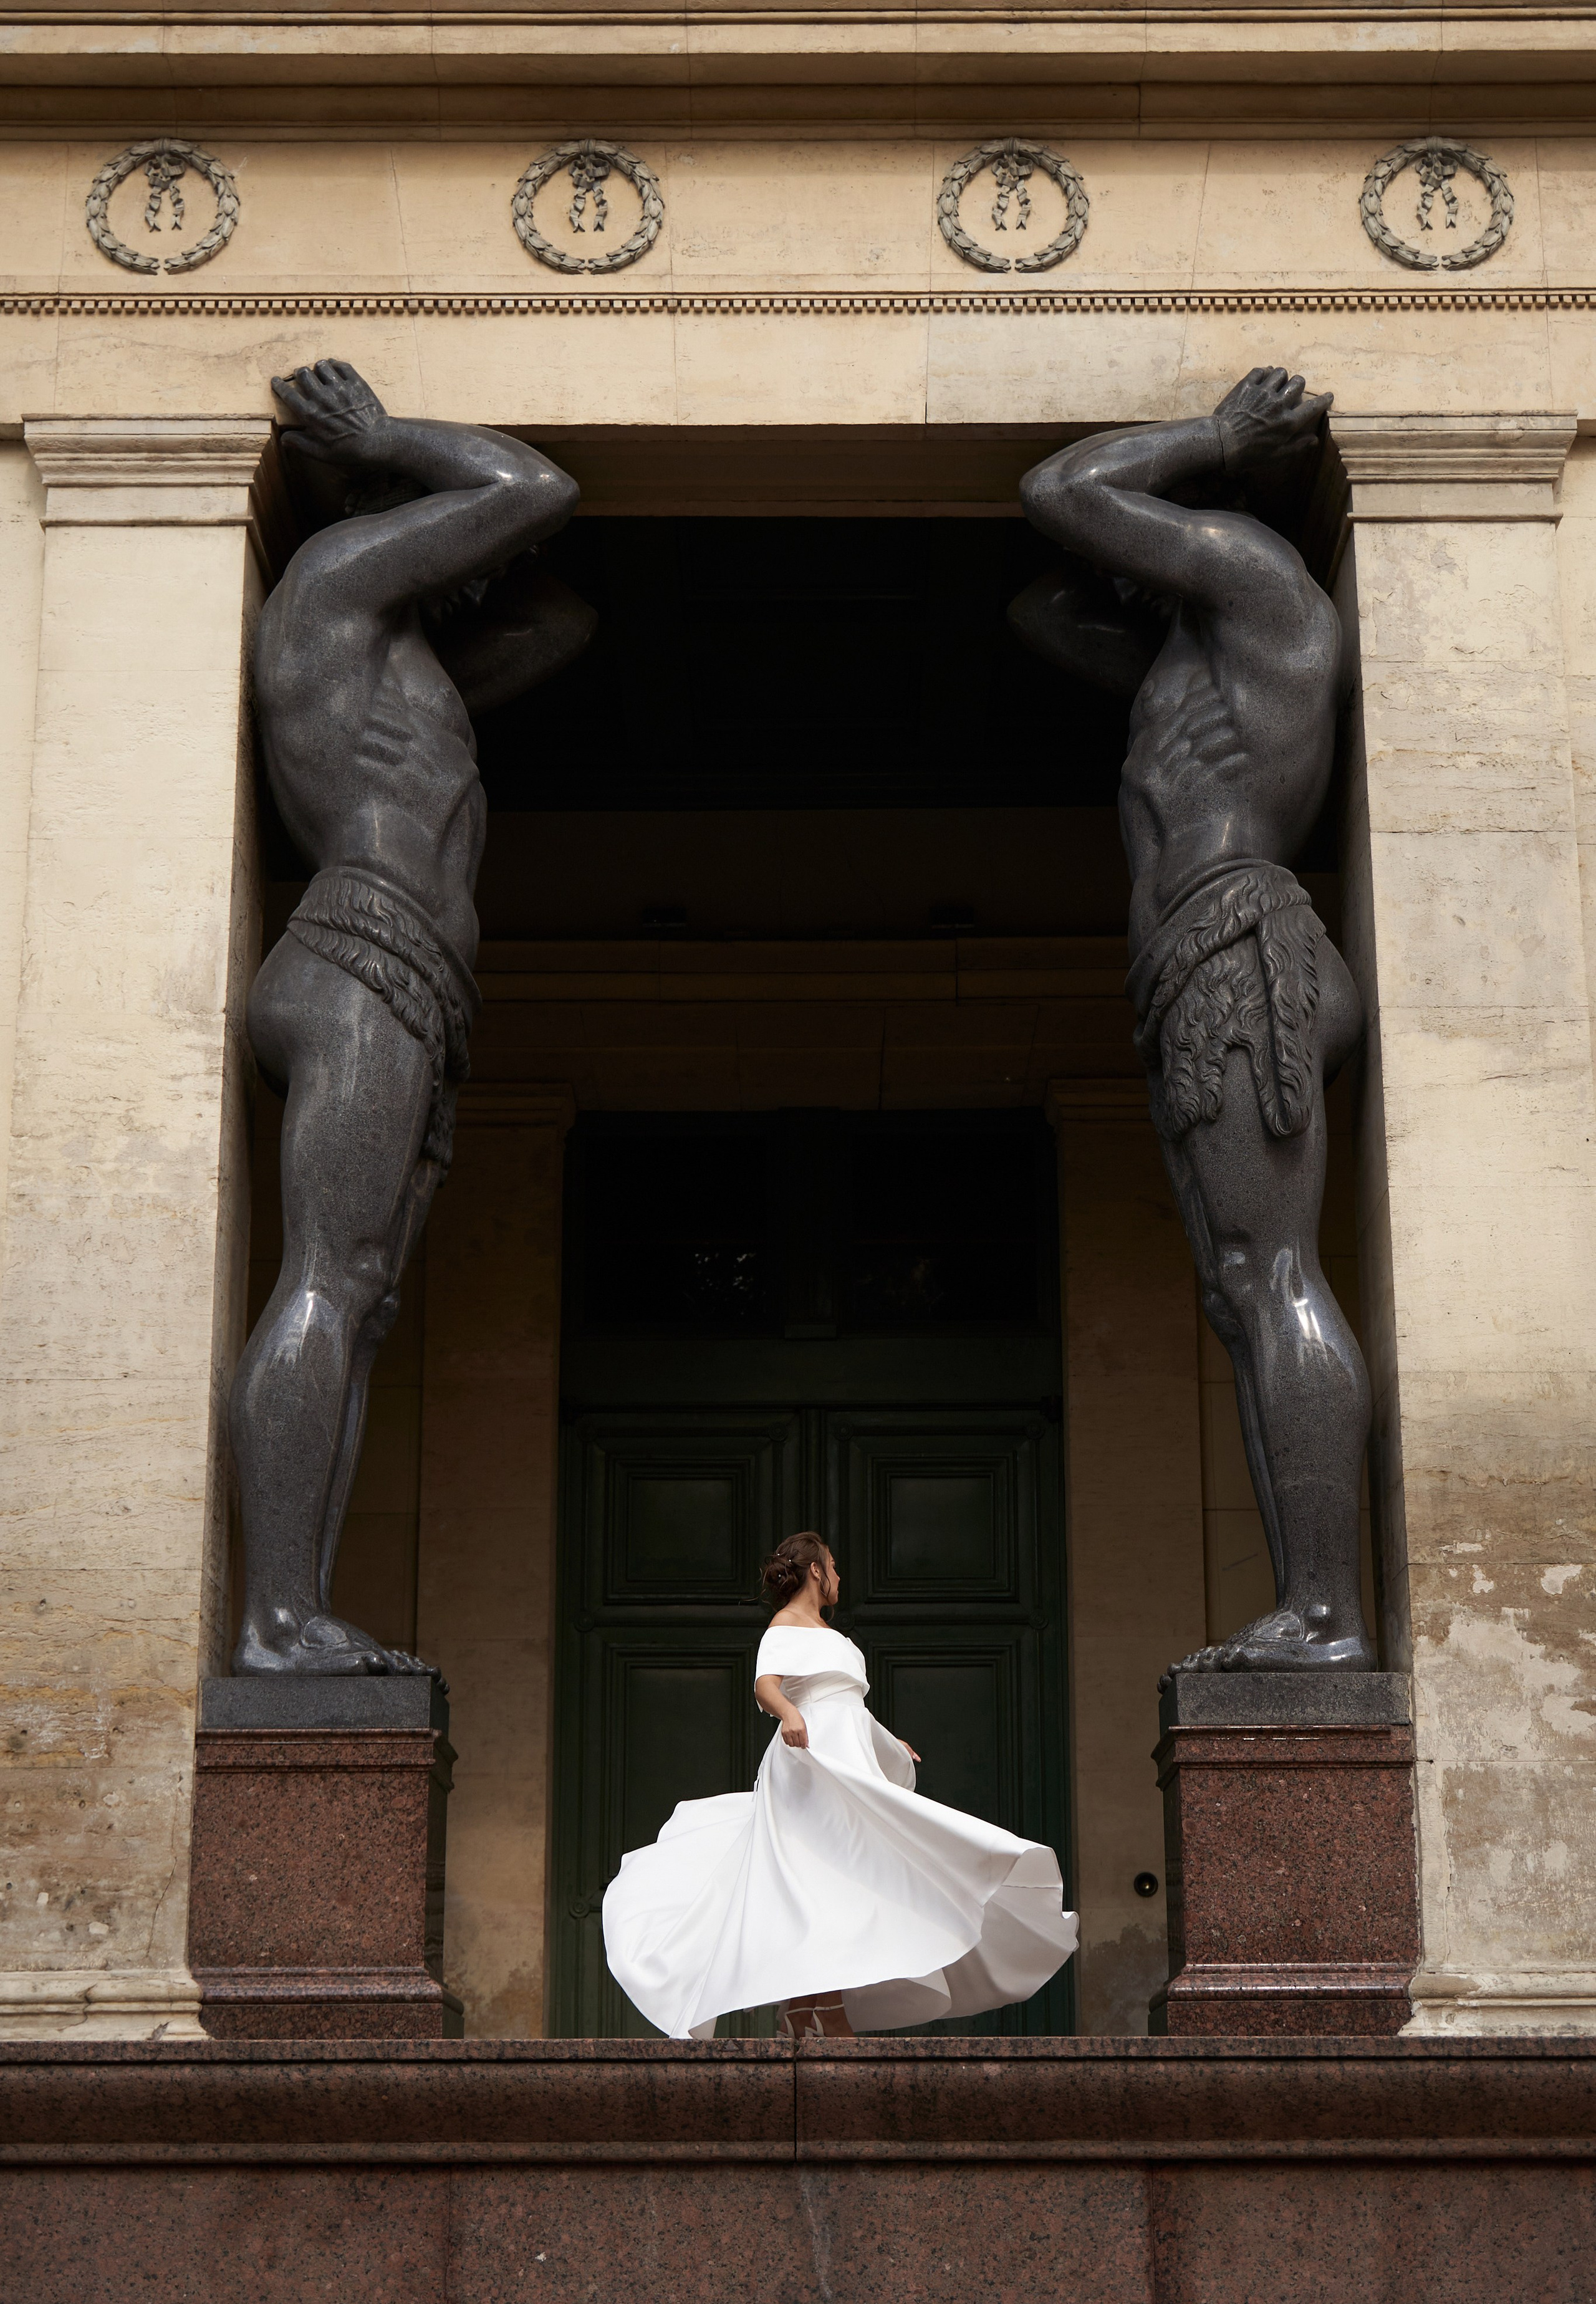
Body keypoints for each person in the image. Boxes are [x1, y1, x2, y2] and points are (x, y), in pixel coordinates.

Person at [230, 359, 595, 1676]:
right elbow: (532, 488)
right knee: (328, 1279)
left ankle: (298, 1612)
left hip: (409, 983)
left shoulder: (406, 667)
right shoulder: (326, 593)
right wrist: (390, 444)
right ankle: (273, 1623)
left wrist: (443, 536)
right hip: (360, 959)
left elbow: (556, 623)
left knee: (360, 1298)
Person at [1014, 366, 1375, 1679]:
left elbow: (1060, 492)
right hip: (1196, 960)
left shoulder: (1264, 587)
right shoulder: (1190, 651)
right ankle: (1313, 1607)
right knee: (1242, 1290)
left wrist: (1216, 439)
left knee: (1270, 1274)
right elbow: (1043, 602)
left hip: (1238, 945)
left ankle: (1327, 1614)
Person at [602, 1531, 1078, 2038]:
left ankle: (804, 2011)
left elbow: (848, 1703)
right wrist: (787, 1713)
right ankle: (821, 2011)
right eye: (833, 1566)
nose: (839, 1577)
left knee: (838, 1881)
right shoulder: (784, 1624)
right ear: (815, 1570)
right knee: (820, 1877)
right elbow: (766, 1685)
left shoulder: (838, 1639)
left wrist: (887, 1739)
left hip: (849, 1756)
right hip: (810, 1761)